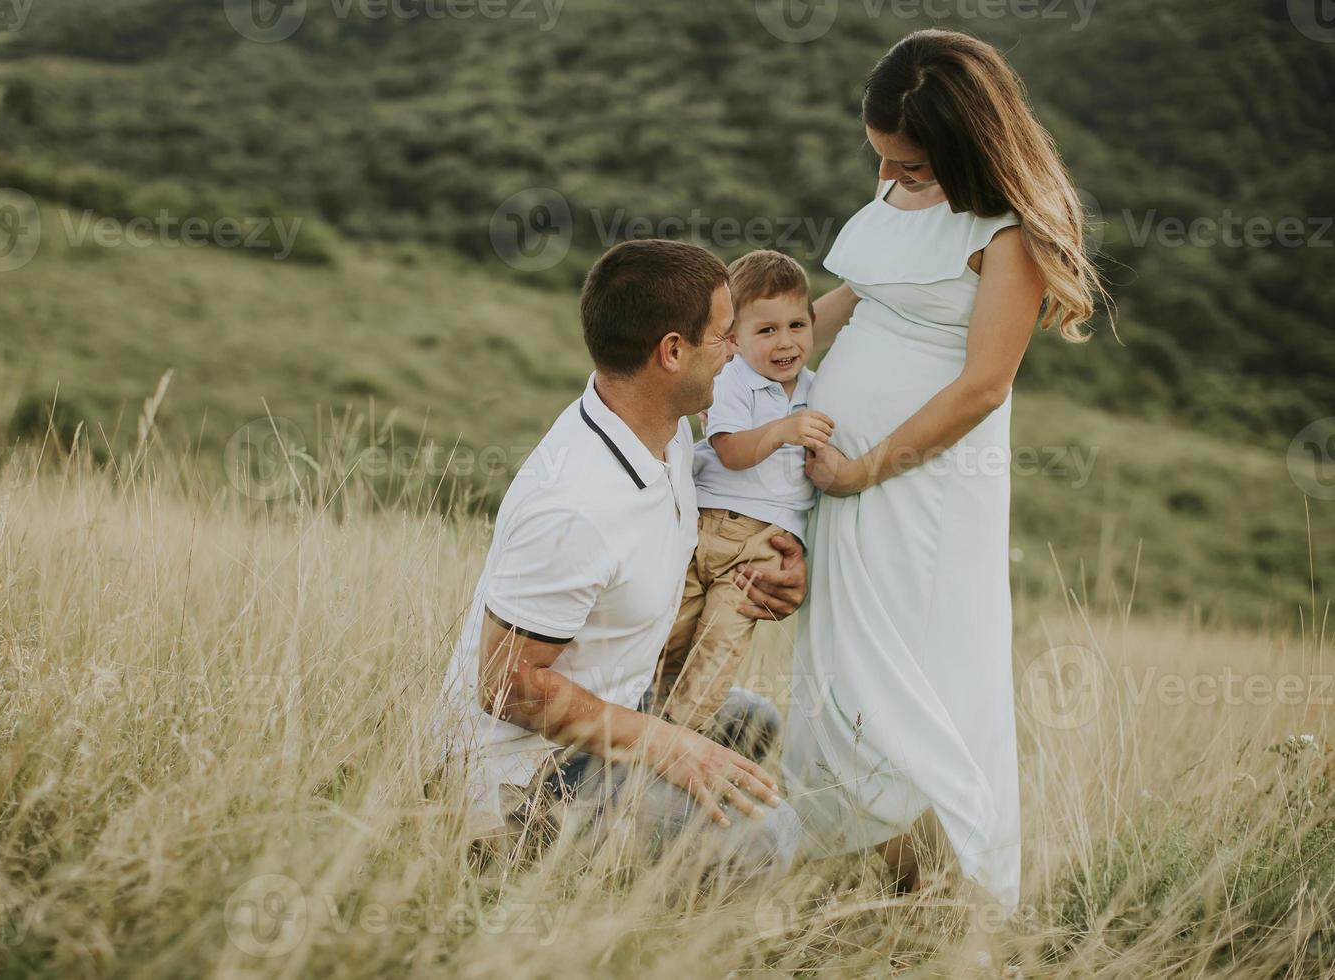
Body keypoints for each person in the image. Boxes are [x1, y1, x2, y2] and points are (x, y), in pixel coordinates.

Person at [783, 29, 1108, 915]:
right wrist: (757, 357)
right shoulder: (900, 185)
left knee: (909, 672)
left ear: (970, 152)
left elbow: (982, 387)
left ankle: (955, 895)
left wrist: (861, 472)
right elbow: (854, 295)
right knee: (844, 665)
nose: (890, 183)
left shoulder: (1011, 235)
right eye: (880, 162)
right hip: (844, 472)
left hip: (917, 487)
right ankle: (879, 878)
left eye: (912, 170)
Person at [435, 238, 806, 881]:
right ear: (671, 352)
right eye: (723, 337)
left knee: (753, 721)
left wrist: (771, 565)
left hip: (617, 701)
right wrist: (667, 744)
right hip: (526, 777)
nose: (735, 352)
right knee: (771, 841)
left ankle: (649, 857)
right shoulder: (574, 506)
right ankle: (538, 872)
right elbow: (507, 686)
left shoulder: (664, 430)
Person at [654, 250, 832, 737]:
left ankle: (681, 740)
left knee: (718, 646)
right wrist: (783, 430)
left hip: (761, 547)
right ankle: (635, 725)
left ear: (814, 322)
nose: (785, 342)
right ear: (734, 338)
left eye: (797, 325)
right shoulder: (733, 379)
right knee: (667, 633)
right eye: (766, 330)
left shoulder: (821, 390)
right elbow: (730, 451)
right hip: (705, 528)